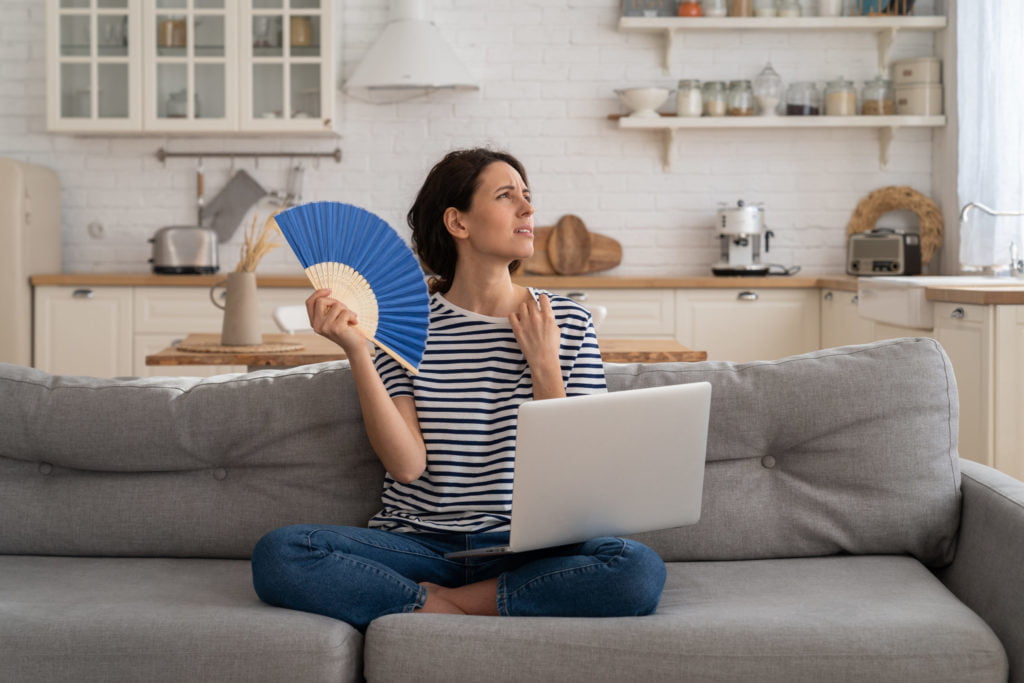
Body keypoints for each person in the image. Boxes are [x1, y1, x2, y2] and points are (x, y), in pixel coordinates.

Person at [251, 148, 666, 632]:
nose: (529, 210)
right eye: (507, 196)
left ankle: (441, 606)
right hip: (421, 544)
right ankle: (473, 604)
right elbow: (407, 466)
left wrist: (544, 365)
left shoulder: (566, 321)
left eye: (528, 197)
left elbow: (582, 472)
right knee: (281, 554)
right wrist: (357, 350)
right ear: (458, 222)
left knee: (636, 570)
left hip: (526, 546)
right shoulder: (405, 326)